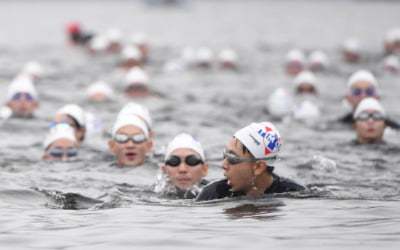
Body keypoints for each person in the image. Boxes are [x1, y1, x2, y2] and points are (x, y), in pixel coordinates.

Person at [196, 122, 305, 202]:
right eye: (225, 155)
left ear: (258, 167)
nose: (223, 165)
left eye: (232, 158)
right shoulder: (213, 193)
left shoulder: (294, 193)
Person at [159, 133, 209, 198]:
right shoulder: (148, 195)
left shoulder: (218, 194)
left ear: (204, 169)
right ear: (164, 170)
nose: (182, 169)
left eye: (192, 161)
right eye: (174, 161)